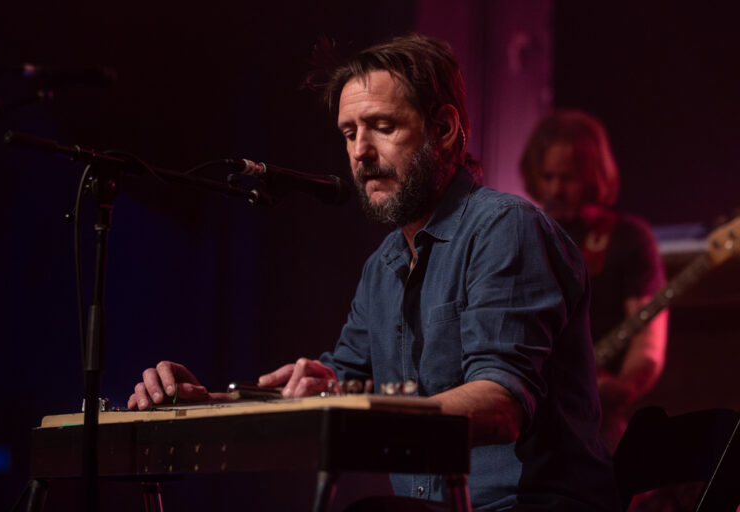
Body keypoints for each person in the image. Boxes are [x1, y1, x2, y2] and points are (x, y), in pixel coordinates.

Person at [129, 35, 620, 511]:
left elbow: (500, 403)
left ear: (444, 130)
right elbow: (337, 384)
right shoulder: (383, 265)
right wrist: (202, 402)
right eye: (349, 134)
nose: (360, 152)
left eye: (382, 126)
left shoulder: (505, 228)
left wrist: (348, 407)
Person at [519, 109, 668, 454]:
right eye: (548, 176)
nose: (555, 189)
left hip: (594, 422)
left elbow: (648, 339)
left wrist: (624, 386)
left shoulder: (627, 237)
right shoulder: (524, 232)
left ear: (593, 176)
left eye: (568, 178)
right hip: (526, 416)